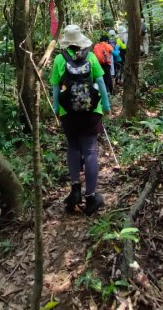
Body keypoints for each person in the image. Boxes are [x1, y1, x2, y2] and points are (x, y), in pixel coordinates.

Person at [50, 25, 111, 216]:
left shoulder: (60, 59)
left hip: (68, 112)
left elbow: (54, 87)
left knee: (73, 147)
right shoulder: (91, 57)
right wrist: (106, 105)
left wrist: (55, 108)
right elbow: (101, 82)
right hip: (91, 111)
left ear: (66, 43)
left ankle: (75, 189)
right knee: (91, 149)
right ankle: (91, 197)